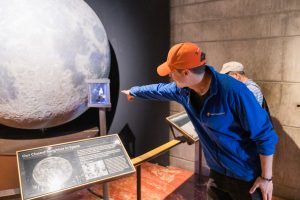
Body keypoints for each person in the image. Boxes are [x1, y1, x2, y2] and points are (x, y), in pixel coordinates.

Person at [122, 42, 278, 200]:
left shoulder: (234, 91)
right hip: (217, 173)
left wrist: (266, 179)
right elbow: (159, 89)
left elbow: (264, 135)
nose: (170, 76)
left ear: (185, 73)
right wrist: (134, 92)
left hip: (245, 177)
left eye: (171, 72)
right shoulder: (183, 91)